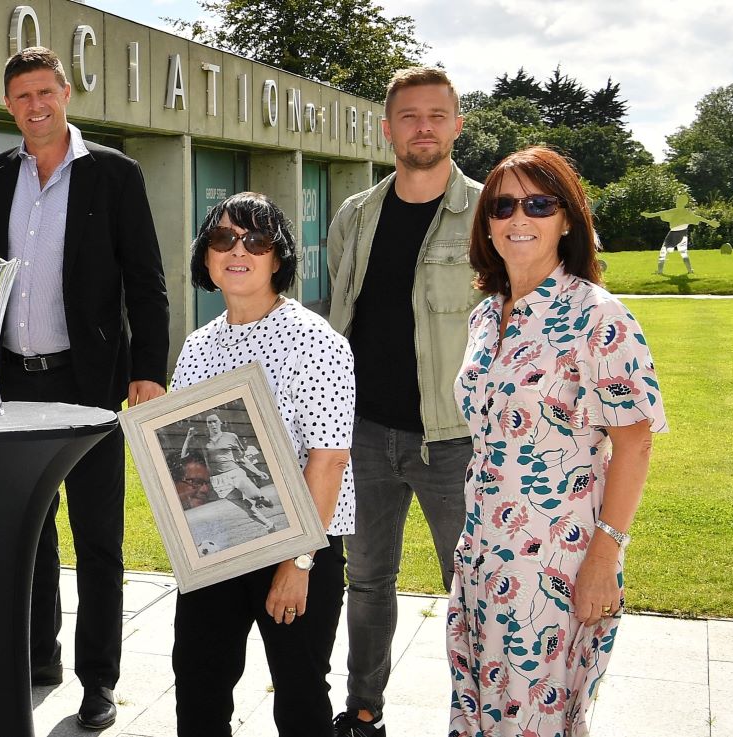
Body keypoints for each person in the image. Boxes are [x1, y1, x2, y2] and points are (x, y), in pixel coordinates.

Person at [0, 47, 168, 730]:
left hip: (90, 380)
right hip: (10, 378)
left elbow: (147, 282)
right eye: (21, 97)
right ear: (7, 104)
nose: (35, 107)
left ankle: (97, 680)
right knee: (27, 527)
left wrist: (149, 370)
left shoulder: (115, 175)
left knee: (97, 536)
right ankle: (37, 656)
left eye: (45, 92)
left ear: (66, 93)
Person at [449, 146, 667, 737]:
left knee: (534, 716)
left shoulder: (600, 317)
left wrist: (605, 555)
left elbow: (636, 444)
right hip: (482, 546)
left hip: (554, 556)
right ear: (486, 223)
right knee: (481, 705)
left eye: (538, 204)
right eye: (503, 205)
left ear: (566, 218)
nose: (519, 217)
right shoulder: (485, 316)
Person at [326, 67, 482, 737]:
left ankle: (478, 714)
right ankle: (364, 711)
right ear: (386, 128)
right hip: (365, 434)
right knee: (365, 583)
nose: (423, 126)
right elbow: (340, 315)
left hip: (456, 440)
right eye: (409, 115)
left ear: (457, 124)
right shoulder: (356, 214)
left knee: (472, 588)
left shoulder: (490, 212)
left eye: (436, 114)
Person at [170, 192, 354, 736]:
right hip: (218, 550)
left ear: (279, 258)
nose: (238, 250)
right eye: (223, 238)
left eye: (256, 240)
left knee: (299, 694)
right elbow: (183, 454)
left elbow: (329, 459)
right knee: (198, 687)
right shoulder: (198, 346)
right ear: (207, 256)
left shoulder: (316, 342)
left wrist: (297, 566)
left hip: (299, 549)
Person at [180, 415, 277, 530]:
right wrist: (188, 437)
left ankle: (262, 499)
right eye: (209, 422)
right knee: (246, 507)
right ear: (207, 425)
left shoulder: (231, 437)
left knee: (255, 496)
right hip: (218, 480)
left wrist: (258, 472)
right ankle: (269, 525)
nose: (213, 424)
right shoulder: (203, 441)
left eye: (215, 421)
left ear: (220, 422)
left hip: (235, 473)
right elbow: (183, 455)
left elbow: (241, 458)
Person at [641, 193, 719, 274]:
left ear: (683, 203)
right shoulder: (680, 211)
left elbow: (697, 218)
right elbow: (660, 213)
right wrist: (649, 215)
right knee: (682, 252)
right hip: (681, 233)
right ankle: (689, 270)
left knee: (665, 252)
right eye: (677, 202)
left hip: (675, 234)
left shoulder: (685, 212)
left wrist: (709, 222)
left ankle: (660, 271)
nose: (677, 203)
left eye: (679, 202)